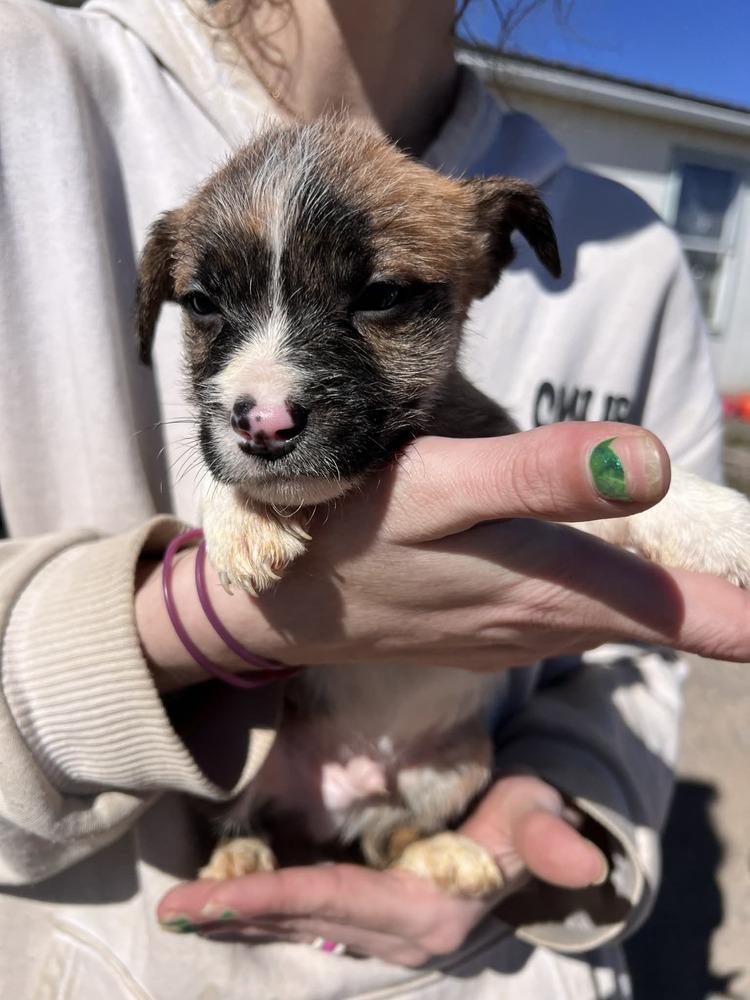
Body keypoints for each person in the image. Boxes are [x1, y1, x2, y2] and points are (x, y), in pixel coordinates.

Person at [0, 1, 745, 998]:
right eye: (209, 307)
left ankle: (404, 830)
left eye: (382, 297)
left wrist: (545, 805)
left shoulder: (635, 262)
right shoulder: (28, 80)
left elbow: (634, 662)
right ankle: (253, 831)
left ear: (490, 258)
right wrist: (192, 614)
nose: (263, 402)